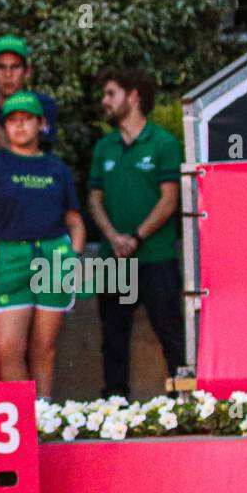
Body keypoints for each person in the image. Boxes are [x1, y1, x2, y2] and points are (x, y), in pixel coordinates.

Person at [0, 91, 86, 398]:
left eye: (26, 119)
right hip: (10, 256)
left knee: (44, 349)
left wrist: (73, 256)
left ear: (41, 124)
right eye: (12, 120)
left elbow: (75, 221)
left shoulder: (56, 168)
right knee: (8, 350)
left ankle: (43, 416)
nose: (19, 126)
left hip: (53, 257)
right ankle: (22, 419)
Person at [88, 67, 183, 399]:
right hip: (112, 260)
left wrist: (136, 237)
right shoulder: (104, 147)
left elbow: (170, 199)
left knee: (171, 334)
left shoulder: (163, 143)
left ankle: (184, 405)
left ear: (133, 96)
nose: (105, 101)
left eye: (111, 93)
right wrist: (114, 237)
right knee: (113, 337)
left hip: (156, 256)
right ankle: (116, 406)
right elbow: (94, 199)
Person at [0, 34, 57, 150]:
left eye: (15, 67)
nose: (8, 75)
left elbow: (24, 156)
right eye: (1, 67)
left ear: (27, 71)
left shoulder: (42, 105)